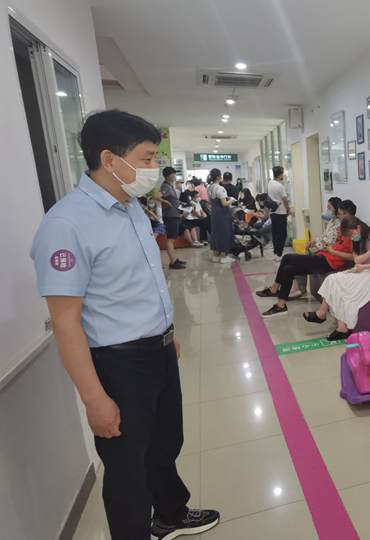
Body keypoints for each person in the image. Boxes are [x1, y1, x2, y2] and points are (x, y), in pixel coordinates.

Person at [29, 110, 219, 539]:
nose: (154, 167)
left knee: (165, 443)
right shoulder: (66, 225)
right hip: (118, 364)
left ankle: (170, 514)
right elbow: (65, 322)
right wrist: (94, 398)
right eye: (147, 157)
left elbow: (141, 282)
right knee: (126, 468)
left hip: (158, 349)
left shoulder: (130, 208)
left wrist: (167, 335)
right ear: (110, 159)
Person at [305, 216, 370, 340]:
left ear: (358, 228)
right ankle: (329, 318)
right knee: (332, 279)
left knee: (341, 285)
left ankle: (331, 320)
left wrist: (365, 265)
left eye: (351, 234)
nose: (351, 238)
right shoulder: (356, 239)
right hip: (361, 269)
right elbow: (357, 260)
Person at [258, 219, 354, 317]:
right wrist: (325, 247)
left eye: (342, 214)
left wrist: (332, 251)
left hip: (327, 263)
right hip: (323, 256)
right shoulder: (343, 230)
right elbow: (331, 242)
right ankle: (280, 305)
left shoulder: (353, 237)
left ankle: (274, 289)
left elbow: (353, 257)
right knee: (288, 269)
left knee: (287, 258)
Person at [158, 167, 187, 269]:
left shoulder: (170, 186)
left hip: (174, 215)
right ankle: (173, 262)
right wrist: (166, 203)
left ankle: (174, 259)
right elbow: (156, 196)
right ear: (168, 175)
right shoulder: (166, 187)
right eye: (173, 174)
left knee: (172, 239)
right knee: (170, 239)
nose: (175, 176)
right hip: (170, 216)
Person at [208, 168, 236, 264]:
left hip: (214, 213)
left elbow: (211, 201)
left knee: (216, 233)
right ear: (219, 177)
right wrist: (231, 200)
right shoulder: (220, 188)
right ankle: (224, 256)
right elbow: (224, 204)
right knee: (224, 233)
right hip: (222, 214)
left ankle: (216, 255)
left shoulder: (210, 187)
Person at [268, 166, 291, 260]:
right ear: (281, 174)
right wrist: (288, 209)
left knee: (275, 233)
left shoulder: (270, 183)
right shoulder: (280, 186)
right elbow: (285, 200)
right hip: (281, 213)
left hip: (273, 212)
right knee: (282, 234)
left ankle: (275, 252)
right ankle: (279, 254)